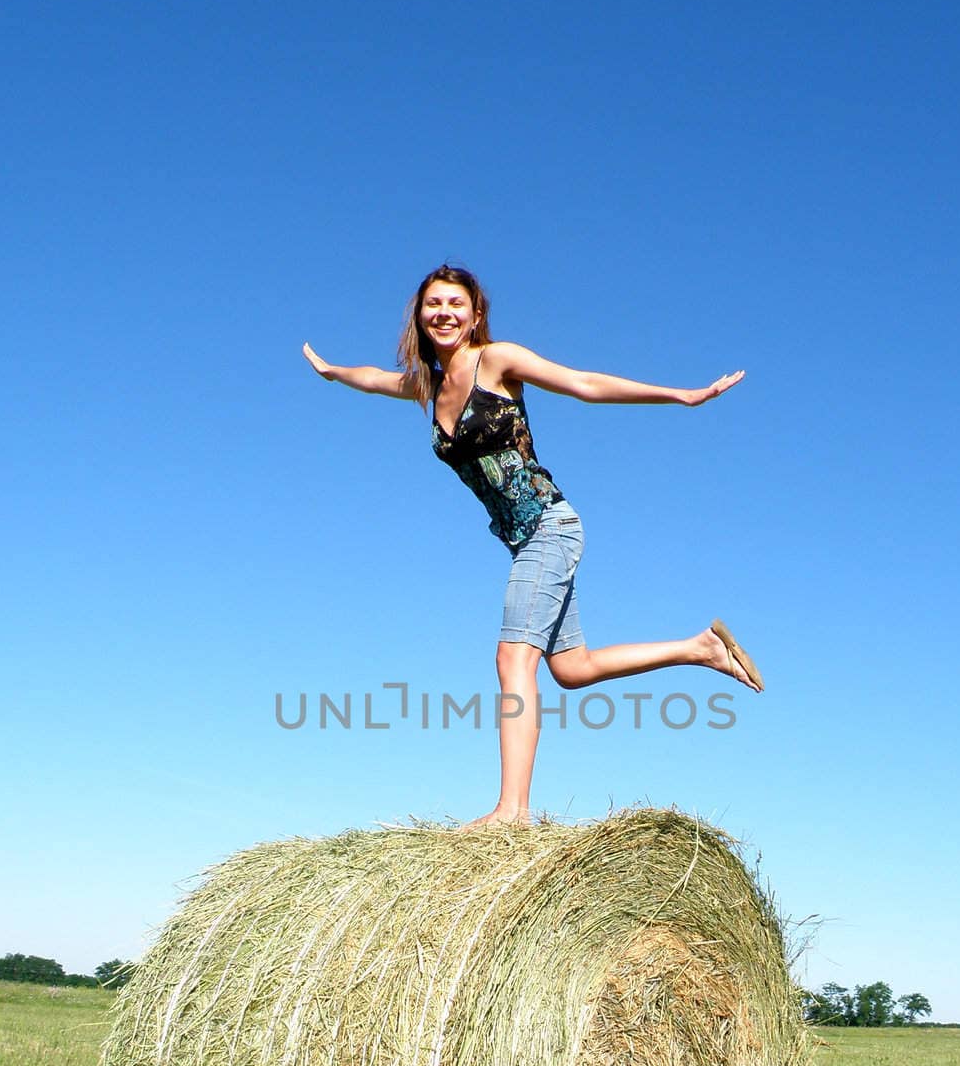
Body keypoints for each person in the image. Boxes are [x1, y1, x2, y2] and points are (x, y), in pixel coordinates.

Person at [302, 264, 762, 830]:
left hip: (550, 525)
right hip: (524, 542)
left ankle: (513, 811)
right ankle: (699, 649)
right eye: (432, 304)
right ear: (419, 316)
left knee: (512, 657)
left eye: (455, 303)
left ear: (474, 314)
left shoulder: (495, 361)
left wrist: (679, 395)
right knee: (571, 669)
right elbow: (373, 377)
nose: (443, 312)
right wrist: (331, 372)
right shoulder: (426, 384)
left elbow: (584, 384)